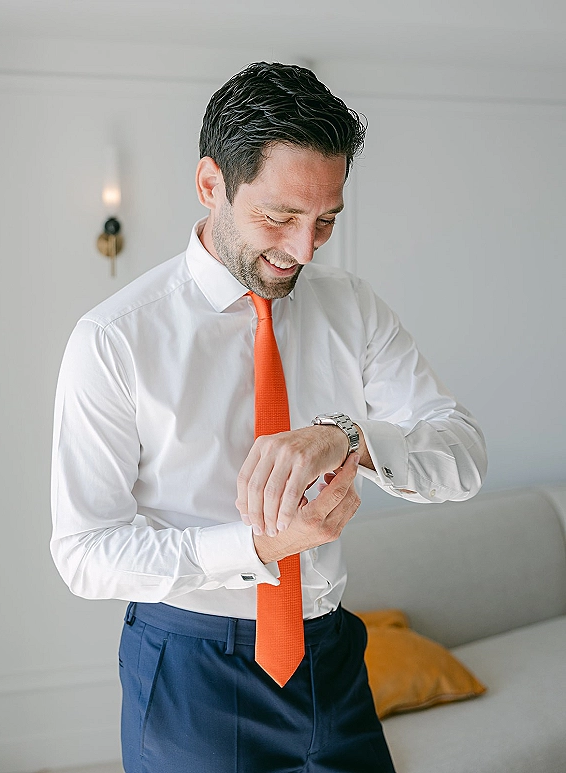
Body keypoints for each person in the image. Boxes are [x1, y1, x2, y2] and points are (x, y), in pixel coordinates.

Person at [51, 62, 487, 773]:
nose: (303, 248)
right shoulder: (114, 339)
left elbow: (463, 458)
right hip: (192, 670)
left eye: (326, 221)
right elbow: (84, 552)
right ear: (210, 185)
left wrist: (347, 434)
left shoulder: (352, 306)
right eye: (279, 216)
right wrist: (257, 546)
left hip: (332, 658)